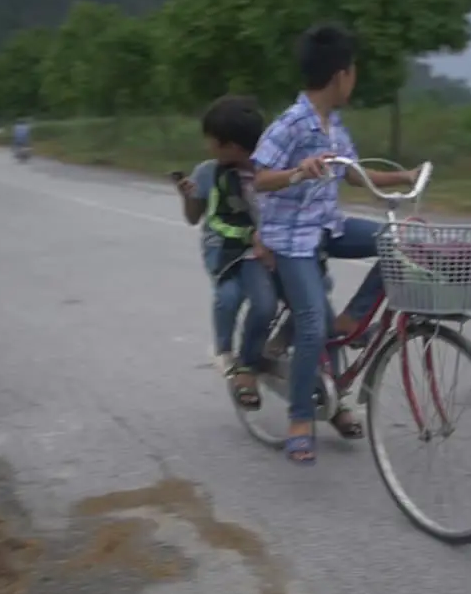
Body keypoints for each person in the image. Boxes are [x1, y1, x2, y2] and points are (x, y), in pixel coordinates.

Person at [248, 23, 420, 464]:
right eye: (354, 72)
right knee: (309, 324)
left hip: (327, 227)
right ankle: (300, 418)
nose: (354, 80)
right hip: (291, 240)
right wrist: (298, 173)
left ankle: (349, 321)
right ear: (341, 75)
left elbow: (355, 174)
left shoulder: (334, 126)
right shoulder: (291, 123)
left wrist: (404, 177)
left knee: (394, 240)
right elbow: (259, 177)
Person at [175, 96, 277, 409]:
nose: (208, 148)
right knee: (229, 296)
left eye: (211, 142)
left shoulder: (270, 170)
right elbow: (194, 218)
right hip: (223, 249)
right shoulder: (209, 171)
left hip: (260, 248)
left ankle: (259, 355)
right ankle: (224, 352)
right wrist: (188, 197)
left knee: (265, 304)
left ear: (231, 146)